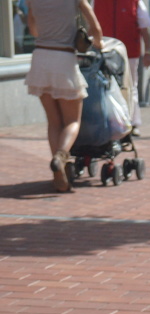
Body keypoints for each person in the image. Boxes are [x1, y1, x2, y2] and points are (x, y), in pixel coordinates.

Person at [24, 0, 104, 191]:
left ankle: (58, 175)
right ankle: (61, 155)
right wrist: (98, 42)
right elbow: (95, 28)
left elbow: (33, 30)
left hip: (40, 58)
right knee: (72, 122)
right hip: (64, 59)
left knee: (53, 122)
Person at [94, 0, 150, 132]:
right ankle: (110, 121)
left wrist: (149, 50)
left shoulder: (134, 1)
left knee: (130, 86)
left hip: (129, 51)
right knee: (105, 87)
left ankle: (132, 122)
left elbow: (145, 26)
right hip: (105, 50)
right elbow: (91, 23)